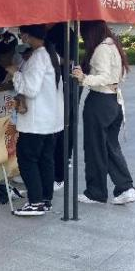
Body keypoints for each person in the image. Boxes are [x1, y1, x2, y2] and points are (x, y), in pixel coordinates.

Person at [72, 21, 135, 205]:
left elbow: (104, 76)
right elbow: (120, 75)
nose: (83, 38)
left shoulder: (101, 48)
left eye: (84, 34)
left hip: (100, 101)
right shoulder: (114, 45)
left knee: (95, 148)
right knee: (110, 146)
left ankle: (96, 192)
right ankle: (126, 187)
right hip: (114, 101)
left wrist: (83, 78)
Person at [5, 24, 63, 216]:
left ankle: (36, 202)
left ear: (27, 35)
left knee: (27, 159)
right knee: (45, 160)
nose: (20, 37)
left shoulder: (39, 57)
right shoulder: (50, 54)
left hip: (37, 121)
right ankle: (45, 199)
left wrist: (16, 73)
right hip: (49, 119)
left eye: (21, 34)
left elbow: (30, 89)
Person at [44, 22, 79, 190]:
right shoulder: (46, 31)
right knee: (56, 128)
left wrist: (51, 58)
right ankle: (55, 167)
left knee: (63, 126)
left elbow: (70, 59)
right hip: (52, 86)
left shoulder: (65, 32)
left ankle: (60, 173)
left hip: (66, 85)